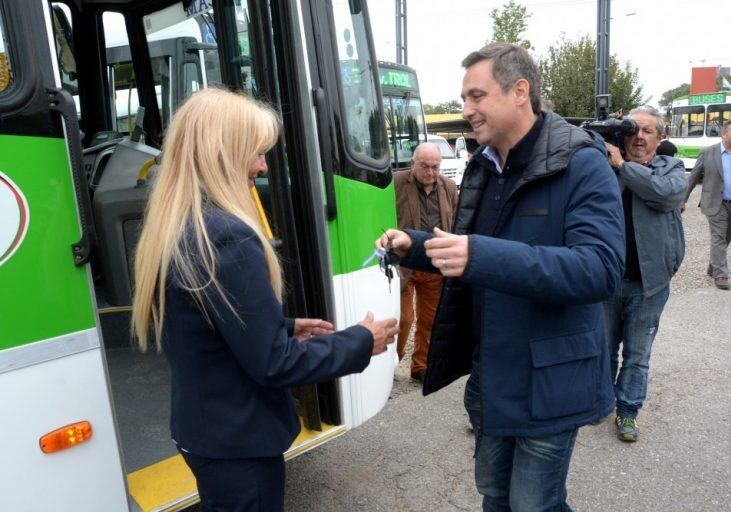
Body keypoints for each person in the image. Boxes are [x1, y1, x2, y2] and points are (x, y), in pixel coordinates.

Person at [377, 43, 624, 511]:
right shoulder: (484, 166)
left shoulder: (582, 163)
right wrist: (417, 245)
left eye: (476, 96)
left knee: (535, 505)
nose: (466, 110)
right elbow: (468, 251)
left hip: (552, 381)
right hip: (494, 375)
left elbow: (600, 270)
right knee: (495, 496)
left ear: (519, 92)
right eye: (464, 98)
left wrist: (479, 254)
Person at [130, 88, 398, 511]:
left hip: (206, 430)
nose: (262, 165)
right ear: (223, 152)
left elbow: (204, 322)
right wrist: (362, 340)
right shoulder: (228, 236)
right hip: (240, 444)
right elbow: (275, 364)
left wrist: (285, 327)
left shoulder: (182, 224)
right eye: (256, 153)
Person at [603, 106, 686, 442]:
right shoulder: (605, 166)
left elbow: (665, 195)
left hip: (649, 285)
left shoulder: (671, 167)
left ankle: (628, 412)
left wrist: (623, 166)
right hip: (607, 280)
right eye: (633, 129)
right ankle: (601, 401)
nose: (639, 136)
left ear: (660, 136)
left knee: (637, 355)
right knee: (603, 349)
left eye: (648, 131)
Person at [394, 142, 458, 381]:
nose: (430, 172)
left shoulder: (449, 187)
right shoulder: (397, 183)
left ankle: (421, 366)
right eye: (425, 166)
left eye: (435, 167)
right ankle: (391, 363)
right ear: (413, 164)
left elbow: (457, 221)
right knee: (403, 318)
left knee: (430, 320)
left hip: (434, 262)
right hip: (403, 263)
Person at [683, 119, 731, 290]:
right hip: (715, 202)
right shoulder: (708, 152)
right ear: (724, 134)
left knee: (726, 237)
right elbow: (693, 177)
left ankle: (714, 265)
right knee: (718, 237)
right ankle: (721, 274)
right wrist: (682, 199)